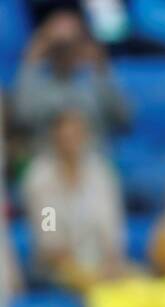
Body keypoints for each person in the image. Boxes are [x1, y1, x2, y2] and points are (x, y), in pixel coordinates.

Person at [20, 107, 128, 290]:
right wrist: (82, 273)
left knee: (136, 281)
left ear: (85, 136)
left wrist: (110, 264)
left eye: (76, 135)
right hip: (55, 270)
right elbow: (49, 240)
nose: (70, 142)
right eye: (65, 138)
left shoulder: (100, 172)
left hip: (102, 266)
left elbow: (112, 227)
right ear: (54, 139)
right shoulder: (39, 179)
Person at [13, 8, 131, 143]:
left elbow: (123, 119)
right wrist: (30, 63)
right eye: (59, 46)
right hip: (47, 158)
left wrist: (101, 68)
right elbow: (21, 117)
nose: (66, 52)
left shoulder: (95, 83)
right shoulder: (37, 86)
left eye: (73, 43)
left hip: (94, 157)